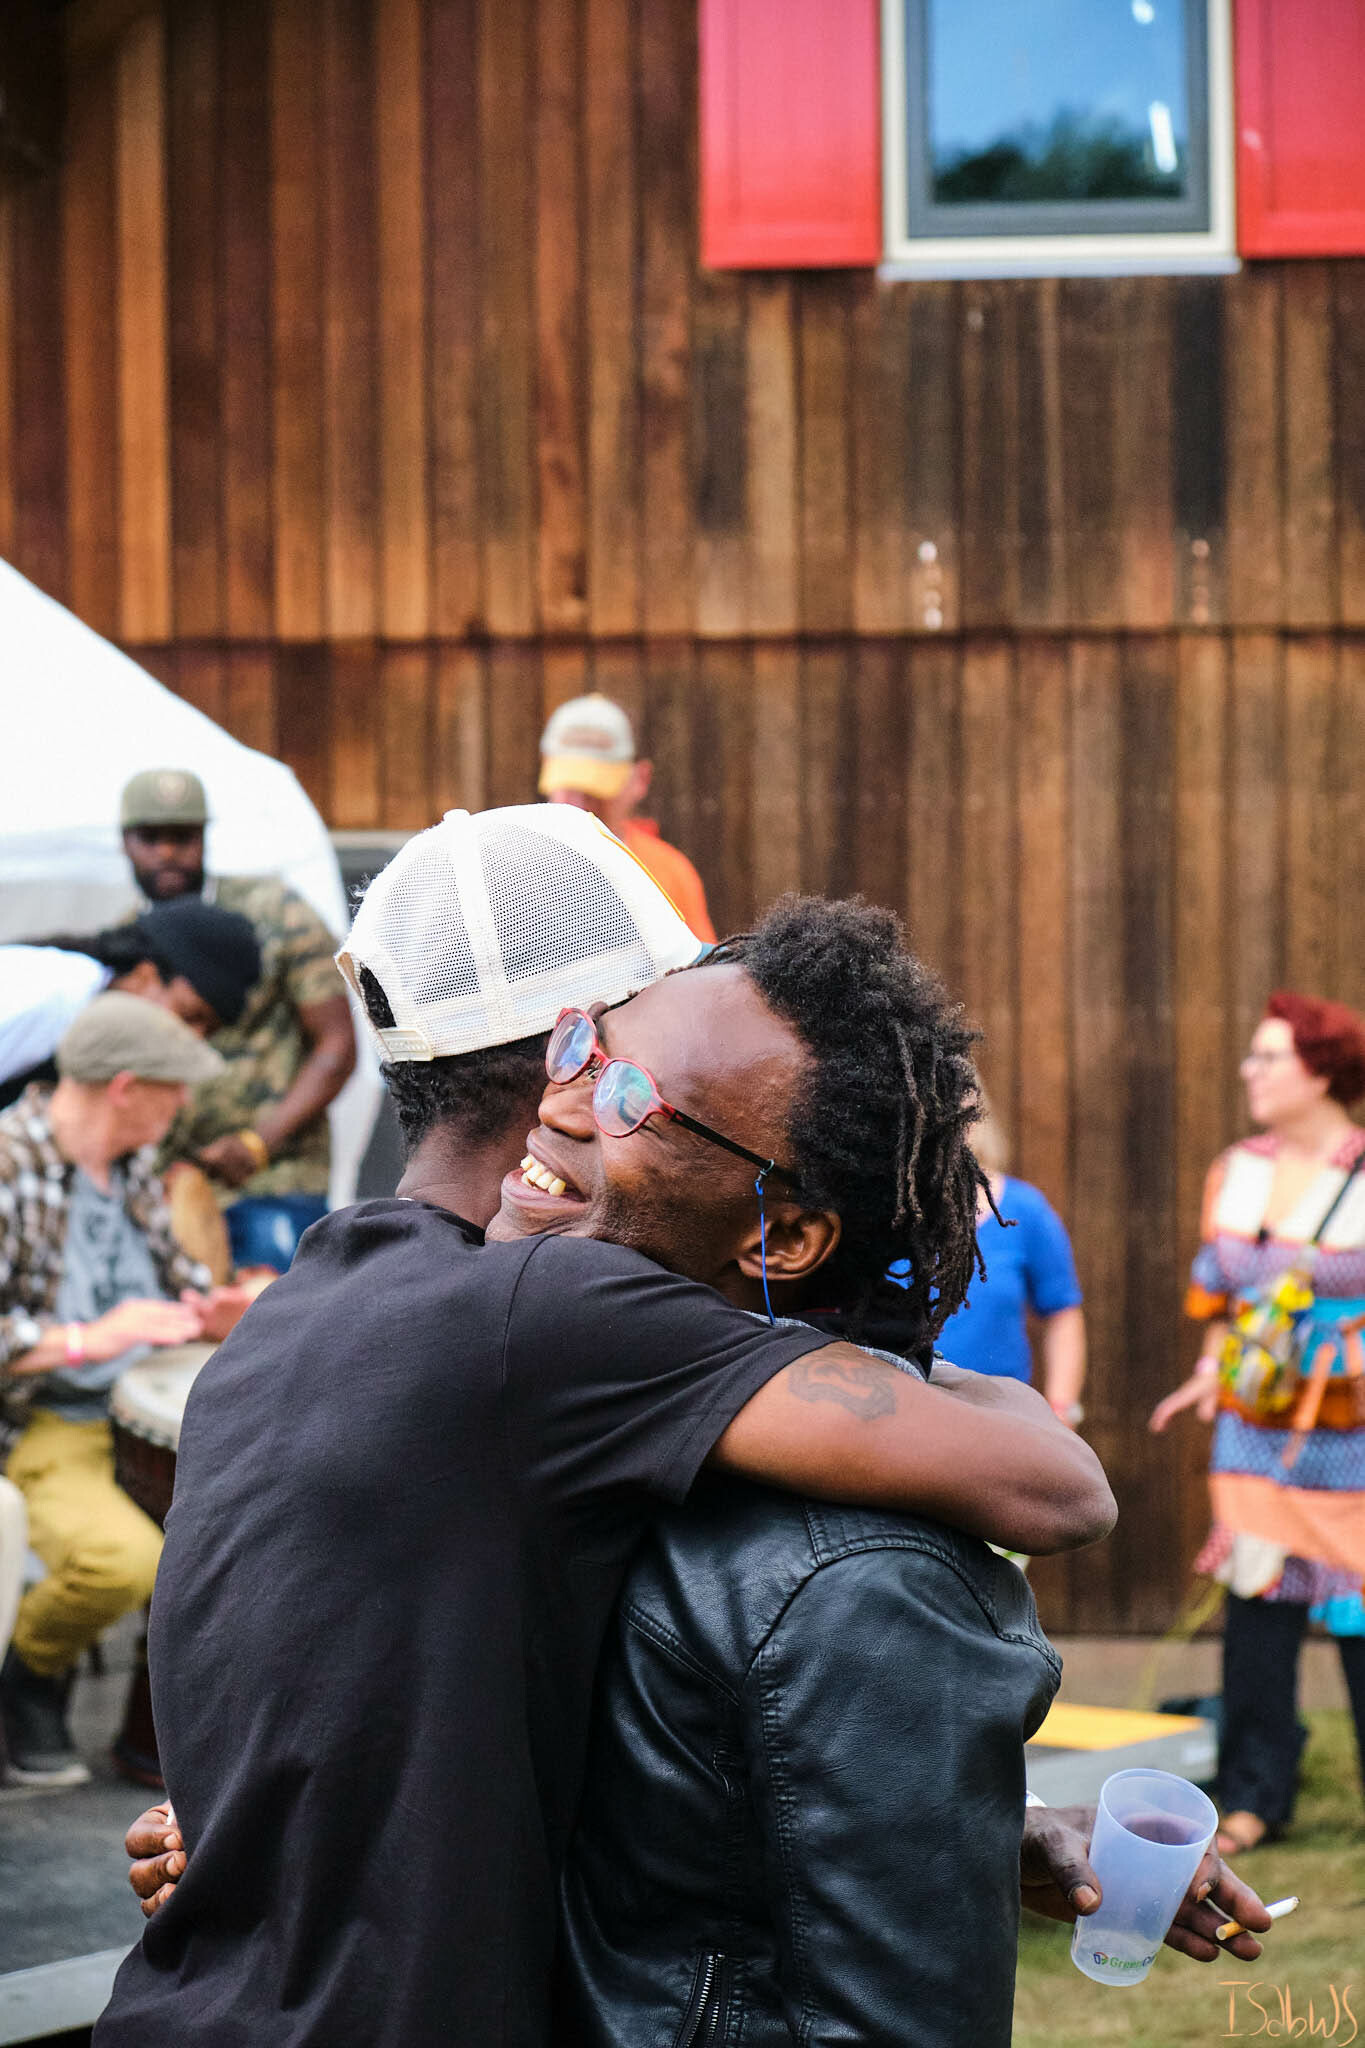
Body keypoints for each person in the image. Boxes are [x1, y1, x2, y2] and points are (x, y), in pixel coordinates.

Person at [120, 883, 1266, 2041]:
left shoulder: (353, 1293)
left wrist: (956, 1826)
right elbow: (1061, 1484)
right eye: (580, 1048)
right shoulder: (553, 1333)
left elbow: (621, 1777)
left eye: (629, 1092)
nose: (559, 1101)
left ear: (786, 1234)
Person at [0, 994, 237, 1787]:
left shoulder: (133, 1164)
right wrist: (85, 1338)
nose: (185, 1105)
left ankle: (182, 1731)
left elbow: (173, 1277)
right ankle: (27, 1675)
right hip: (48, 1417)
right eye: (175, 1088)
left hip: (139, 1405)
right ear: (128, 1088)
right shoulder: (7, 1167)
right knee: (121, 1563)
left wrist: (212, 1303)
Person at [1150, 991, 1365, 1856]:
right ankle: (1251, 1797)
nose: (1249, 1070)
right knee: (1256, 1608)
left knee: (1358, 1612)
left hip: (1351, 1429)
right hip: (1252, 1424)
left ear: (1319, 1070)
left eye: (1266, 1056)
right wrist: (1209, 1375)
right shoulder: (1234, 1168)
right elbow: (1217, 1294)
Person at [119, 768, 357, 1271]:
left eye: (183, 837)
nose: (167, 852)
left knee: (279, 1314)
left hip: (275, 1178)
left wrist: (256, 1144)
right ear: (125, 842)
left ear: (205, 838)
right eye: (151, 838)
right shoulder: (125, 942)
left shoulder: (276, 911)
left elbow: (336, 1046)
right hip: (167, 1189)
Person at [903, 1089, 1087, 1423]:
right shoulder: (888, 1212)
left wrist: (1062, 1412)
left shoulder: (1024, 1210)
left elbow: (1063, 1315)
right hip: (901, 1421)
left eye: (957, 1112)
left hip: (1001, 1422)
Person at [0, 899, 262, 1108]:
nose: (192, 1036)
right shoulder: (49, 995)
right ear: (145, 975)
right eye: (189, 1015)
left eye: (209, 1032)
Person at [539, 692, 716, 941]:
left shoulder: (670, 873)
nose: (578, 805)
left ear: (640, 779)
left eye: (594, 790)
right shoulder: (510, 869)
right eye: (568, 788)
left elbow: (703, 962)